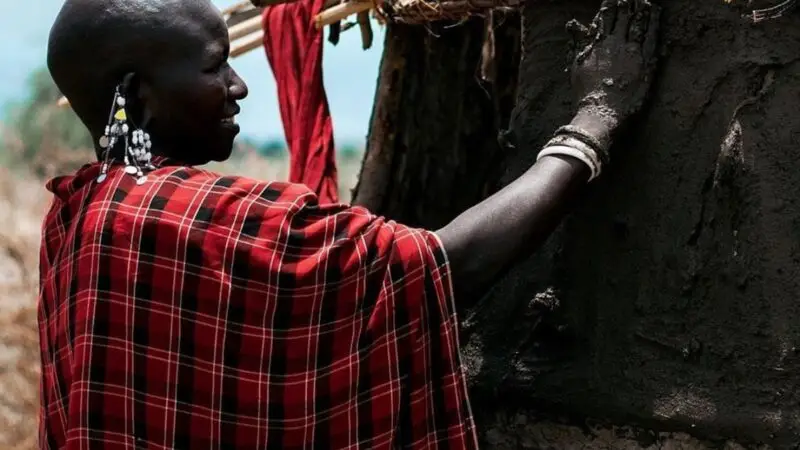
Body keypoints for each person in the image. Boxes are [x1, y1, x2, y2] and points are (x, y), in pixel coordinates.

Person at [39, 0, 659, 448]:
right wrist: (593, 124)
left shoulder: (73, 220)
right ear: (135, 96)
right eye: (213, 68)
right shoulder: (217, 219)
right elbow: (441, 267)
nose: (240, 85)